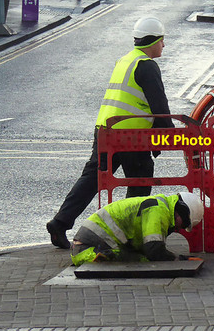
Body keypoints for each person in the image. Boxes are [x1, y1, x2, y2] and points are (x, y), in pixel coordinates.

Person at [47, 16, 174, 250]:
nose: (164, 46)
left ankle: (59, 222)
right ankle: (129, 233)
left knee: (91, 180)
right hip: (130, 136)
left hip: (105, 130)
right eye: (162, 41)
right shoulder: (146, 65)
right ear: (153, 41)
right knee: (141, 178)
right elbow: (160, 107)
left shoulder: (125, 60)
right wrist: (170, 137)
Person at [70, 192, 204, 266]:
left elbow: (147, 251)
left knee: (139, 259)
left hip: (90, 244)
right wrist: (179, 260)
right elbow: (154, 250)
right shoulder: (158, 211)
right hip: (89, 250)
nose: (179, 229)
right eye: (184, 223)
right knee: (135, 260)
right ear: (181, 210)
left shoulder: (160, 206)